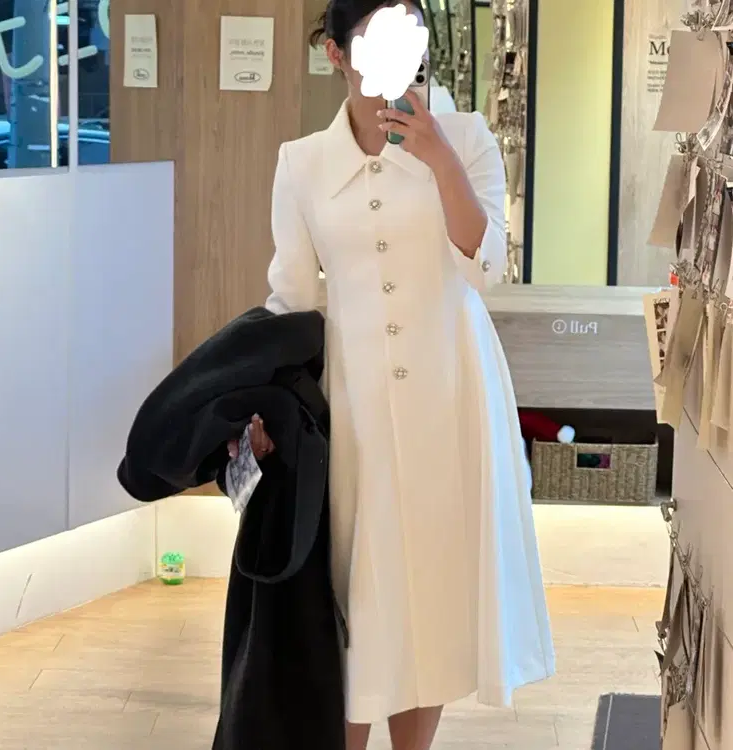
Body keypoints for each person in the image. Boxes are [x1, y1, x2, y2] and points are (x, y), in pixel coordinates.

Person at [228, 1, 555, 748]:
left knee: (429, 598)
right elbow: (294, 300)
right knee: (356, 596)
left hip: (451, 390)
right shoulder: (302, 164)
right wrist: (263, 405)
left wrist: (439, 157)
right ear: (337, 55)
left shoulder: (466, 137)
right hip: (354, 404)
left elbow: (485, 267)